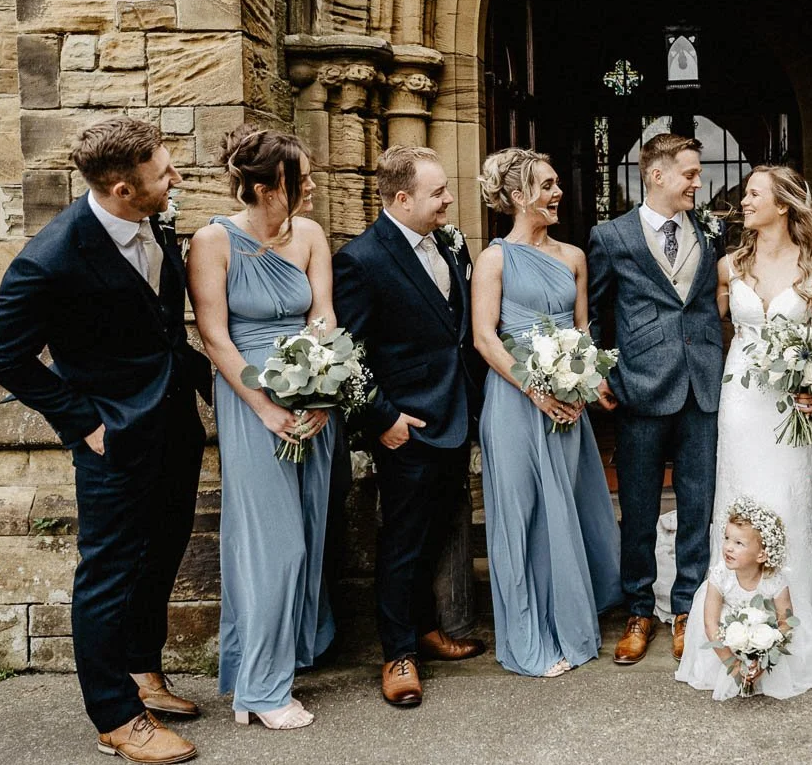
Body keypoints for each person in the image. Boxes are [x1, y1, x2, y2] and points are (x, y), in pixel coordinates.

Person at [0, 117, 211, 764]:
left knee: (164, 545)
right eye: (164, 174)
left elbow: (165, 327)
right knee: (107, 571)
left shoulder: (155, 222)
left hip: (173, 424)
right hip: (111, 436)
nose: (176, 179)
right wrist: (82, 421)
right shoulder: (51, 259)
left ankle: (142, 668)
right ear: (120, 189)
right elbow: (2, 354)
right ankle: (115, 715)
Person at [186, 128, 336, 730]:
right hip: (251, 401)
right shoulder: (213, 241)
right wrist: (265, 407)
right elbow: (214, 336)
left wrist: (322, 385)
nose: (314, 186)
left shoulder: (310, 235)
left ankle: (265, 674)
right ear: (271, 185)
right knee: (273, 545)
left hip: (310, 397)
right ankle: (264, 688)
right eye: (303, 178)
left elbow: (322, 312)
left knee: (308, 536)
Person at [334, 146, 486, 708]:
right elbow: (348, 352)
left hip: (455, 411)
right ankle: (396, 652)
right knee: (401, 540)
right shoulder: (362, 259)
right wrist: (382, 419)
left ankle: (425, 629)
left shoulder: (450, 241)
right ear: (402, 198)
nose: (449, 199)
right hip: (409, 422)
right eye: (439, 192)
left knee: (437, 531)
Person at [471, 148, 621, 677]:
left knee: (567, 509)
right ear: (518, 197)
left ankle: (569, 624)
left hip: (568, 401)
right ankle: (528, 640)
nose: (558, 193)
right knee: (522, 514)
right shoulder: (492, 260)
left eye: (556, 184)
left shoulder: (574, 256)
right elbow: (485, 338)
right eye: (548, 185)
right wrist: (535, 390)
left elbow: (581, 330)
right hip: (515, 402)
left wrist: (587, 380)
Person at [588, 133, 725, 665]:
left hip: (702, 383)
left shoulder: (709, 229)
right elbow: (597, 312)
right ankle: (640, 610)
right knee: (639, 508)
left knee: (698, 504)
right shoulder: (611, 236)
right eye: (690, 173)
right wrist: (603, 373)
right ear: (657, 175)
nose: (698, 182)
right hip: (641, 387)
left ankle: (688, 606)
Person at [704, 165, 812, 695]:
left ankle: (785, 636)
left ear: (782, 204)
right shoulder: (729, 265)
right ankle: (731, 636)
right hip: (739, 403)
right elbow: (716, 329)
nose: (744, 202)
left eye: (754, 194)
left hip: (787, 411)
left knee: (786, 506)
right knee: (737, 503)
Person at [677, 497, 797, 700]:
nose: (728, 547)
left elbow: (785, 622)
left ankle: (757, 670)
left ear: (761, 555)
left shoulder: (774, 581)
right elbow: (710, 624)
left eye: (739, 543)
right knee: (719, 629)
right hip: (723, 636)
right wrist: (732, 665)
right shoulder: (720, 575)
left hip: (763, 633)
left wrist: (765, 658)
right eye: (726, 538)